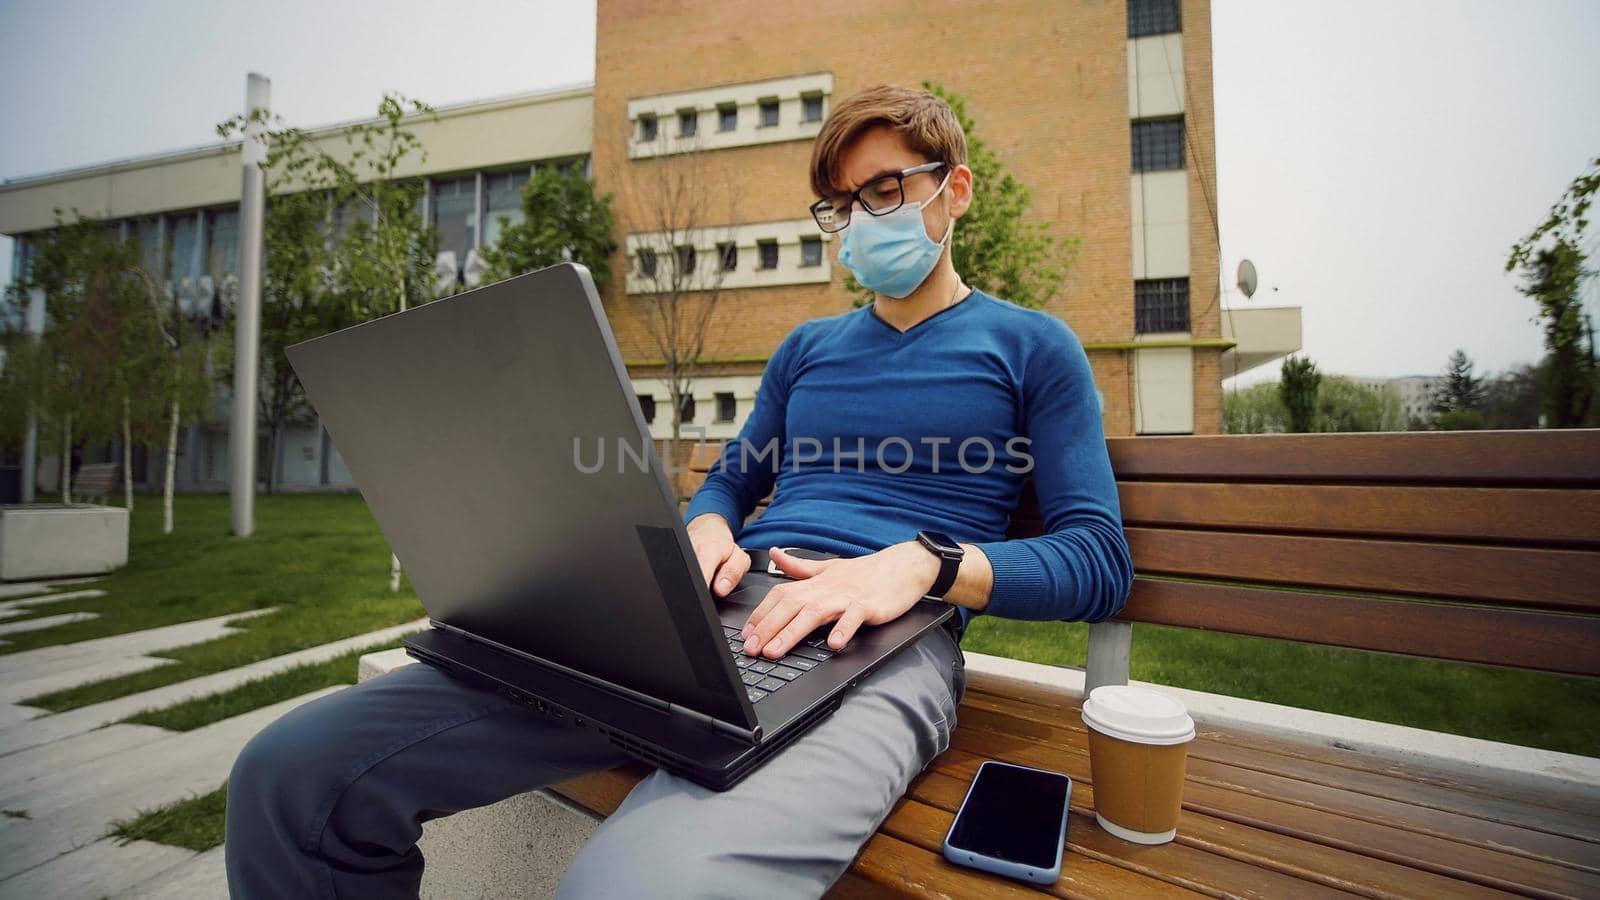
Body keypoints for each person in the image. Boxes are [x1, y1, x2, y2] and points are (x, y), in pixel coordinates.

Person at [224, 83, 1132, 899]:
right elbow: (731, 481)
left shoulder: (1032, 346)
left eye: (885, 189)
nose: (861, 220)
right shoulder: (807, 350)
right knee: (294, 779)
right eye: (843, 205)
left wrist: (920, 566)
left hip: (883, 645)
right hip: (713, 620)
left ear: (955, 190)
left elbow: (1096, 559)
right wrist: (701, 530)